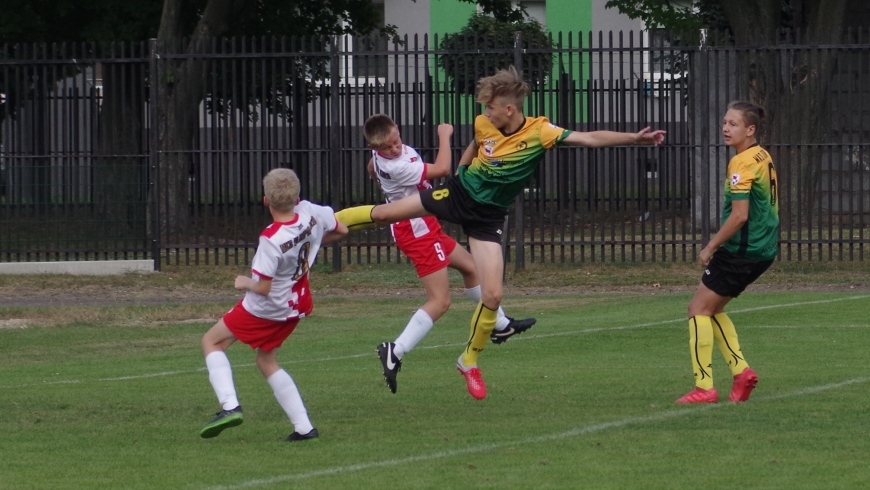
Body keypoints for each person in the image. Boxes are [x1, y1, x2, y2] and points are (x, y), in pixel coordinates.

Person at [337, 66, 666, 400]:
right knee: (384, 213)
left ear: (508, 109)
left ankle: (469, 360)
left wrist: (634, 138)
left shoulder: (540, 131)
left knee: (493, 295)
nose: (485, 113)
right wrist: (462, 171)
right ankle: (317, 225)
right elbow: (475, 144)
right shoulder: (484, 124)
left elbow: (589, 138)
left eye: (490, 107)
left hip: (487, 219)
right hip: (457, 195)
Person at [360, 114, 537, 394]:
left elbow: (371, 167)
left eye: (396, 142)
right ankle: (396, 350)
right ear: (375, 147)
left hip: (424, 223)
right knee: (440, 301)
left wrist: (385, 186)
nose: (393, 149)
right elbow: (443, 169)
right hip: (416, 229)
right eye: (387, 149)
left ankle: (500, 324)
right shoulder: (398, 166)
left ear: (397, 132)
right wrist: (445, 135)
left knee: (472, 268)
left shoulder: (379, 158)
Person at [199, 168, 348, 441]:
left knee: (212, 342)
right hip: (296, 304)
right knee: (266, 360)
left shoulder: (271, 238)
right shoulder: (310, 211)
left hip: (267, 307)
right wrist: (311, 245)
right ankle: (304, 428)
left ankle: (229, 406)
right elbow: (342, 229)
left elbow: (263, 288)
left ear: (265, 200)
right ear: (297, 196)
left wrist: (244, 282)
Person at [676, 101, 778, 404]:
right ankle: (741, 372)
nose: (725, 128)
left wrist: (711, 245)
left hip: (741, 250)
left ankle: (704, 387)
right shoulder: (761, 154)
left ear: (750, 129)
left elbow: (739, 216)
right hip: (762, 249)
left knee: (697, 310)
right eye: (724, 122)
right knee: (712, 309)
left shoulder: (742, 163)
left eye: (732, 124)